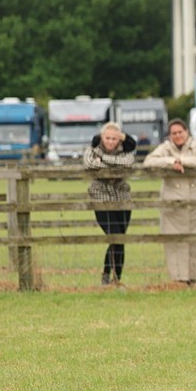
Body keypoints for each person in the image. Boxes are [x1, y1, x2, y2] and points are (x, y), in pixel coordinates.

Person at [143, 119, 196, 285]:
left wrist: (183, 161)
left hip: (195, 202)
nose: (178, 136)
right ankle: (179, 280)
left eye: (180, 132)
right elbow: (149, 161)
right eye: (174, 133)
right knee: (175, 242)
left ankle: (193, 279)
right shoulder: (165, 148)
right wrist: (171, 162)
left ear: (186, 132)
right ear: (169, 135)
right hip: (172, 203)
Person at [83, 122, 136, 285]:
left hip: (122, 198)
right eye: (107, 138)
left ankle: (115, 277)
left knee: (120, 238)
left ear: (119, 139)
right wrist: (114, 163)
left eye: (114, 138)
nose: (111, 141)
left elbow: (128, 163)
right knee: (114, 236)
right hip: (101, 198)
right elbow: (90, 163)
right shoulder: (92, 150)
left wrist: (104, 160)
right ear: (102, 137)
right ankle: (108, 275)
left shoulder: (125, 151)